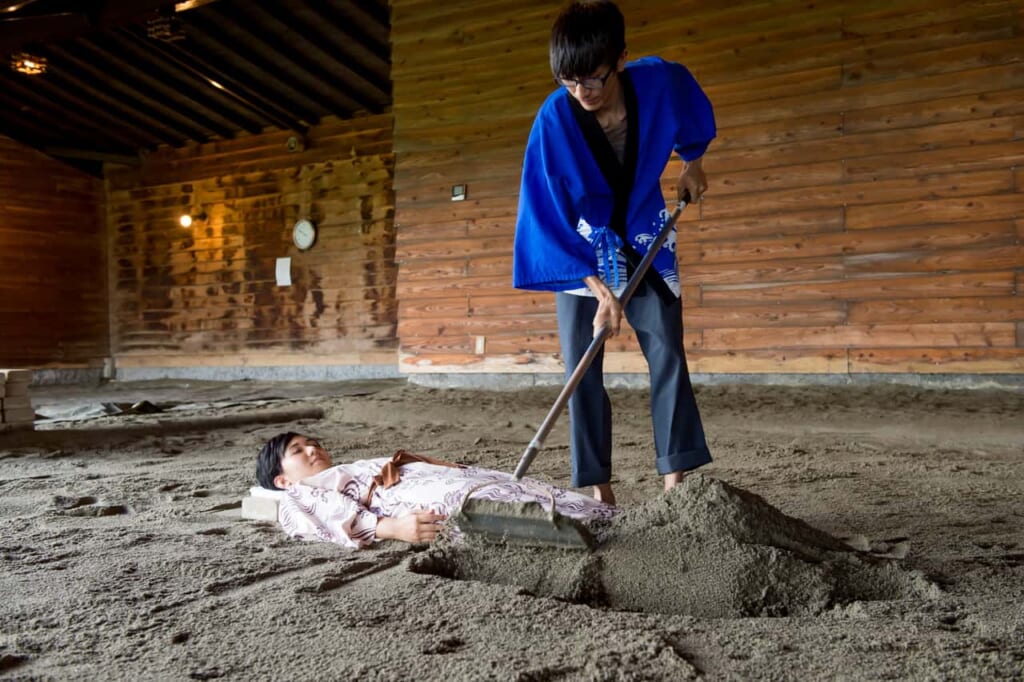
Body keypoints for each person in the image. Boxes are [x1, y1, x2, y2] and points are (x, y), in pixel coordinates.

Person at [512, 0, 716, 506]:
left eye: (594, 79)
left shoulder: (658, 81)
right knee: (582, 364)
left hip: (646, 228)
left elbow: (690, 112)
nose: (582, 92)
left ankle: (676, 483)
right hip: (580, 246)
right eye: (570, 81)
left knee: (667, 350)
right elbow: (544, 213)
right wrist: (597, 288)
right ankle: (598, 488)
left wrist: (692, 162)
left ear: (621, 57)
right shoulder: (553, 120)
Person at [256, 432, 616, 549]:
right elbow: (320, 520)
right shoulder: (298, 494)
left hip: (425, 476)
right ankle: (580, 531)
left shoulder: (344, 469)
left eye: (312, 443)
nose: (312, 450)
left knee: (515, 486)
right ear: (282, 479)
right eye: (298, 451)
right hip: (403, 498)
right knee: (482, 504)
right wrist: (389, 529)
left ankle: (605, 517)